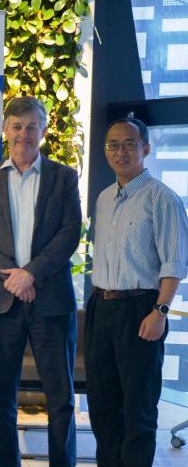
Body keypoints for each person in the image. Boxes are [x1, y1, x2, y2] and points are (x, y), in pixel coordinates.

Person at [0, 96, 81, 467]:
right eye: (16, 127)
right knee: (2, 395)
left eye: (31, 126)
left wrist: (31, 273)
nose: (23, 134)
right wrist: (12, 277)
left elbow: (69, 233)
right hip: (2, 302)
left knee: (60, 396)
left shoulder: (64, 177)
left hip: (51, 301)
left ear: (43, 131)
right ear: (5, 130)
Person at [86, 116, 188, 467]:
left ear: (146, 148)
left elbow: (174, 263)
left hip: (141, 310)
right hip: (101, 308)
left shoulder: (162, 198)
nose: (121, 151)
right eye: (113, 144)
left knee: (138, 408)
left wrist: (159, 312)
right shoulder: (103, 198)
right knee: (101, 404)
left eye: (129, 143)